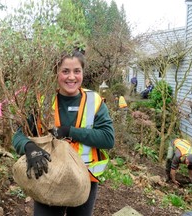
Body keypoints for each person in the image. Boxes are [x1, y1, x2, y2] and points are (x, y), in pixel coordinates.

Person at [12, 50, 115, 216]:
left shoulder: (93, 101)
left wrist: (69, 131)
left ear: (83, 72)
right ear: (56, 73)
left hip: (84, 179)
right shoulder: (42, 101)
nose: (71, 77)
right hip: (49, 177)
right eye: (65, 71)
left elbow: (108, 138)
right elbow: (18, 135)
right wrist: (29, 146)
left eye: (77, 71)